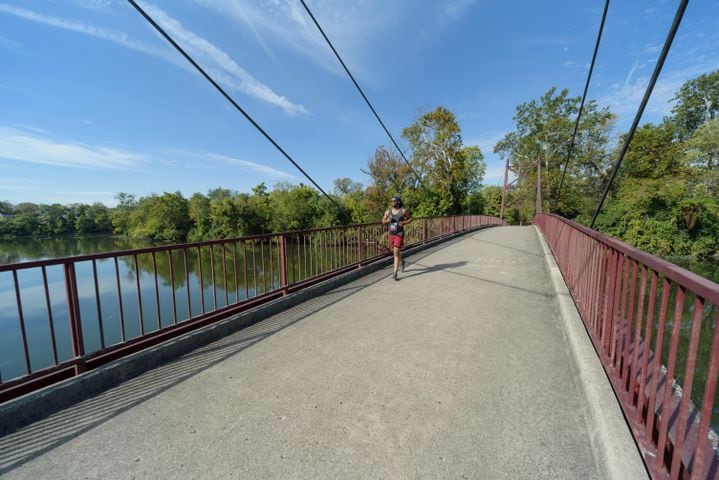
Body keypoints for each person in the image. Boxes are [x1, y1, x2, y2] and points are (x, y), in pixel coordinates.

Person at [382, 195, 412, 281]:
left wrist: (405, 222)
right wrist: (388, 221)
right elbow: (382, 221)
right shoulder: (388, 212)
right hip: (391, 234)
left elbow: (411, 218)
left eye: (394, 201)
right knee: (396, 251)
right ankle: (402, 262)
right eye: (391, 201)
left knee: (395, 251)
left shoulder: (403, 211)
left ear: (398, 202)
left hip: (399, 233)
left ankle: (395, 273)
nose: (392, 202)